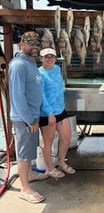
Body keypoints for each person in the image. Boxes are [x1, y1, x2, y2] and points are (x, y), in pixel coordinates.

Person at [9, 31, 47, 204]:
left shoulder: (31, 62)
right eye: (30, 43)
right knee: (24, 153)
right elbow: (17, 96)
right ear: (21, 45)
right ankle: (24, 189)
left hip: (33, 116)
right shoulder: (18, 65)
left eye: (37, 44)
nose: (34, 46)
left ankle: (30, 174)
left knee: (31, 148)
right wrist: (29, 119)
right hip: (24, 118)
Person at [38, 47, 75, 178]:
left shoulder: (57, 69)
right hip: (47, 113)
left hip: (60, 110)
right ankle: (49, 168)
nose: (49, 59)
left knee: (67, 137)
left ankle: (61, 161)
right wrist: (49, 113)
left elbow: (58, 88)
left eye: (52, 57)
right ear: (41, 58)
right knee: (47, 142)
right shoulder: (39, 74)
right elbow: (41, 96)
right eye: (46, 57)